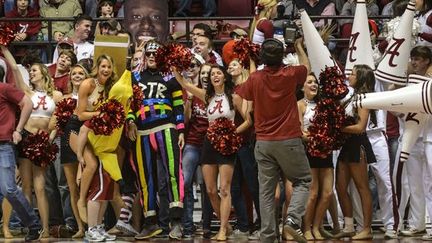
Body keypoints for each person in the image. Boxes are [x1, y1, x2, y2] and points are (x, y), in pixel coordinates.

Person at [235, 38, 311, 243]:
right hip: (288, 140)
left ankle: (267, 237)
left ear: (263, 58)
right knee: (303, 180)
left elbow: (239, 94)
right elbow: (306, 66)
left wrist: (247, 117)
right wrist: (298, 46)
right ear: (282, 57)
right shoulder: (290, 74)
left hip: (263, 142)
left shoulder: (255, 78)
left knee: (266, 193)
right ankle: (293, 220)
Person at [173, 63, 252, 241]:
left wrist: (233, 133)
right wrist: (174, 67)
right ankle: (228, 226)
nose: (215, 76)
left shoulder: (234, 97)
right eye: (213, 74)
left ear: (224, 76)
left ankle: (223, 229)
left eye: (218, 73)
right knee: (209, 190)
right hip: (208, 143)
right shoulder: (207, 96)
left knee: (224, 189)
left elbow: (248, 120)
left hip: (227, 144)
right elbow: (185, 84)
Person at [1, 45, 63, 238]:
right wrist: (4, 46)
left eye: (34, 70)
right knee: (24, 186)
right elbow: (13, 66)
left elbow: (58, 121)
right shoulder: (26, 91)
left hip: (44, 139)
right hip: (26, 138)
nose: (31, 72)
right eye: (30, 71)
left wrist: (49, 140)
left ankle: (44, 228)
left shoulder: (57, 95)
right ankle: (29, 227)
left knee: (41, 187)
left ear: (44, 72)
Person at [127, 41, 185, 240]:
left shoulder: (170, 76)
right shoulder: (135, 76)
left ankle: (176, 221)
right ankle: (150, 222)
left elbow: (178, 104)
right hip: (142, 132)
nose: (152, 57)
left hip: (166, 128)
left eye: (156, 54)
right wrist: (131, 121)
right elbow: (130, 103)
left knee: (173, 174)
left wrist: (181, 130)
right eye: (149, 53)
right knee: (145, 178)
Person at [0, 67, 43, 242]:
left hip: (3, 144)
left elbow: (28, 103)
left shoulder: (4, 88)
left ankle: (33, 224)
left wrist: (18, 129)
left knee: (9, 188)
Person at [74, 54, 118, 224]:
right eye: (103, 66)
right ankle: (82, 200)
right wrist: (99, 114)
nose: (106, 70)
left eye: (109, 67)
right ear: (97, 68)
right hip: (80, 129)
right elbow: (79, 115)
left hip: (99, 133)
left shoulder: (112, 86)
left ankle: (98, 226)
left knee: (105, 179)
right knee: (92, 165)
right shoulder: (88, 84)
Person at [335, 64, 376, 240]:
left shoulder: (364, 98)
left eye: (352, 74)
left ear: (360, 78)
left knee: (362, 187)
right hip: (347, 144)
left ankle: (367, 228)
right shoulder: (352, 97)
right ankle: (349, 225)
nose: (349, 76)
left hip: (357, 144)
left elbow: (360, 127)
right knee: (340, 186)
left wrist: (337, 127)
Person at [298, 74, 335, 240]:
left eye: (315, 82)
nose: (314, 85)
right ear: (302, 87)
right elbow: (299, 132)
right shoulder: (299, 105)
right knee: (312, 193)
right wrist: (316, 138)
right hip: (309, 151)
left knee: (327, 193)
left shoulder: (324, 105)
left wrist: (325, 138)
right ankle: (306, 228)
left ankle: (317, 226)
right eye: (309, 82)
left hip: (325, 151)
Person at [57, 64, 89, 239]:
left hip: (87, 143)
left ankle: (93, 224)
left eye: (80, 73)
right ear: (69, 78)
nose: (77, 76)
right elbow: (53, 124)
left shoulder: (91, 96)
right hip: (67, 143)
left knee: (88, 186)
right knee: (72, 188)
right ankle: (80, 227)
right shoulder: (65, 98)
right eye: (74, 73)